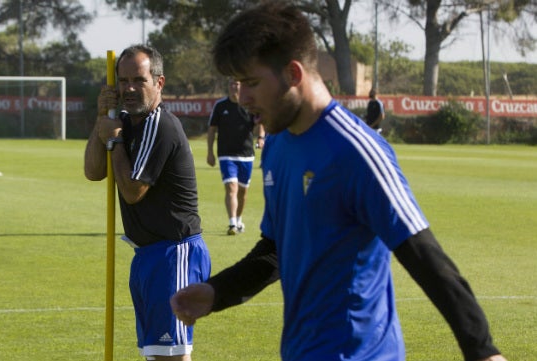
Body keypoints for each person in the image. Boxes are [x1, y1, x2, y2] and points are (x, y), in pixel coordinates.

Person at [170, 4, 507, 361]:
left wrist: (481, 349)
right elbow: (275, 250)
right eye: (239, 85)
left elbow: (422, 253)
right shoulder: (278, 147)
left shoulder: (355, 152)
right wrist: (216, 292)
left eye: (252, 83)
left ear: (294, 73)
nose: (243, 98)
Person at [84, 45, 211, 361]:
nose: (129, 88)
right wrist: (103, 118)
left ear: (159, 82)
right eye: (123, 80)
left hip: (174, 253)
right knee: (156, 354)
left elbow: (132, 192)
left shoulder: (160, 123)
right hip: (148, 255)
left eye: (138, 80)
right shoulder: (126, 121)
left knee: (170, 356)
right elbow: (93, 171)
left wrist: (114, 141)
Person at [207, 78, 265, 235]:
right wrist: (210, 152)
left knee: (242, 192)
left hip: (246, 155)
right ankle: (232, 223)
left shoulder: (249, 104)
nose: (233, 87)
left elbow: (261, 123)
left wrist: (260, 138)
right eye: (231, 84)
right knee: (231, 188)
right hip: (226, 155)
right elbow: (212, 129)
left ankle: (238, 220)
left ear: (241, 86)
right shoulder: (220, 106)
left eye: (237, 84)